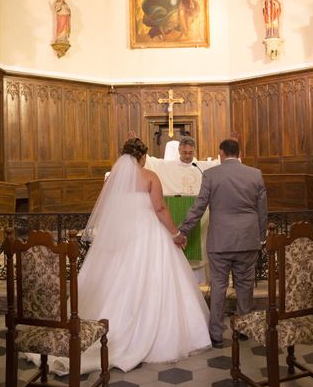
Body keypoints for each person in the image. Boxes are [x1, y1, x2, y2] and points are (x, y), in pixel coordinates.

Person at [29, 138, 211, 373]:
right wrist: (176, 234)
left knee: (116, 281)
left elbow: (108, 209)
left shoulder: (114, 180)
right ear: (143, 157)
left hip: (122, 237)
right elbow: (160, 209)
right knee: (156, 280)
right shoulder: (150, 177)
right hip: (149, 236)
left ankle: (100, 329)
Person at [177, 139, 268, 348]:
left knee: (218, 285)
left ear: (221, 153)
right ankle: (244, 327)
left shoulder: (211, 174)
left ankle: (216, 334)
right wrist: (260, 236)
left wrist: (183, 231)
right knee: (245, 284)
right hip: (248, 239)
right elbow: (262, 210)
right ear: (240, 152)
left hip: (221, 240)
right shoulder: (255, 174)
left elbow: (199, 207)